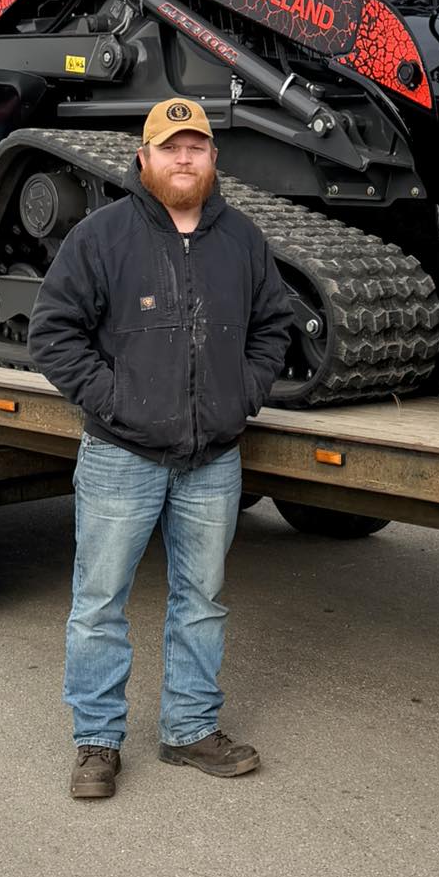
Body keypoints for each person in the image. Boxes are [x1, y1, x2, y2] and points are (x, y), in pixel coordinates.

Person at [28, 97, 295, 801]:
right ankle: (96, 743)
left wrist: (245, 392)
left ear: (212, 159)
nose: (184, 159)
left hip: (213, 457)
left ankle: (188, 729)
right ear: (143, 160)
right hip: (122, 455)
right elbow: (53, 333)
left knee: (202, 599)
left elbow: (275, 326)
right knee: (99, 602)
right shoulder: (102, 236)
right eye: (170, 147)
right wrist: (114, 400)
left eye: (197, 147)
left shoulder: (241, 239)